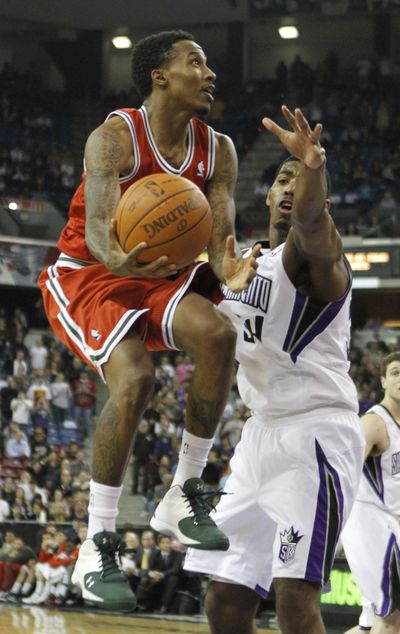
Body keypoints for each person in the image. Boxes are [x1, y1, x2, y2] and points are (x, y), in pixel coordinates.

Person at [38, 29, 258, 612]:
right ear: (160, 76)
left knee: (219, 333)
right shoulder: (114, 136)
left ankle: (184, 493)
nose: (209, 72)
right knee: (134, 378)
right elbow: (98, 234)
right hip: (91, 272)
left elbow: (217, 238)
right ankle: (96, 541)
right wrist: (119, 258)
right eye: (196, 62)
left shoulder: (220, 149)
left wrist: (226, 268)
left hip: (160, 272)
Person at [184, 106, 366, 634]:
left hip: (316, 436)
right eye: (281, 178)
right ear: (265, 196)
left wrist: (310, 164)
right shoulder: (238, 265)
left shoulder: (318, 260)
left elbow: (309, 220)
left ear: (323, 205)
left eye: (299, 182)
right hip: (259, 438)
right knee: (224, 597)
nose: (289, 188)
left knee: (293, 595)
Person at [341, 351, 400, 634]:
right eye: (395, 373)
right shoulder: (374, 423)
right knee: (391, 620)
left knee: (370, 624)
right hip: (369, 525)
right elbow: (345, 474)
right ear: (383, 381)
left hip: (391, 525)